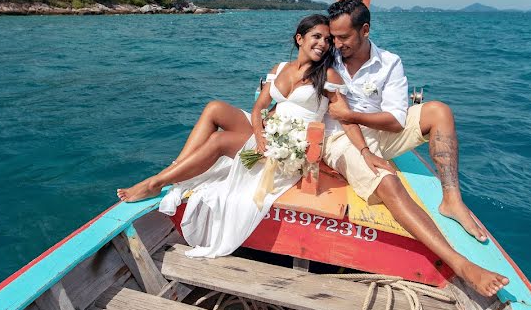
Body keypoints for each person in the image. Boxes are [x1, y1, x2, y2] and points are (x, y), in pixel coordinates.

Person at [117, 14, 371, 258]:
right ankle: (175, 170)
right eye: (317, 37)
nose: (323, 44)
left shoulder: (327, 76)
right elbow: (259, 107)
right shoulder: (280, 68)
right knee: (214, 108)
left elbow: (345, 118)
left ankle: (156, 183)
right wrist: (259, 136)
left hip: (291, 146)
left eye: (328, 40)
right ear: (299, 39)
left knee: (219, 141)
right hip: (267, 131)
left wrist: (365, 151)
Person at [322, 0, 509, 297]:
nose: (337, 43)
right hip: (340, 139)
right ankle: (461, 265)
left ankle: (452, 199)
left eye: (344, 37)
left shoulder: (389, 62)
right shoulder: (327, 57)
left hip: (379, 131)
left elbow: (396, 120)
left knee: (439, 111)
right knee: (390, 183)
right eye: (334, 37)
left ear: (365, 30)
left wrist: (352, 114)